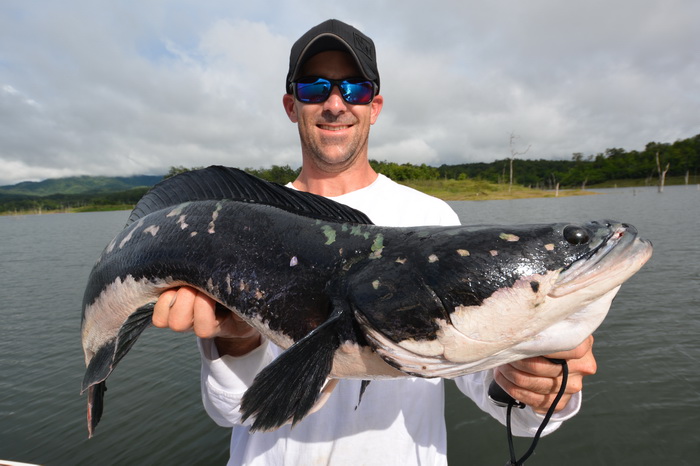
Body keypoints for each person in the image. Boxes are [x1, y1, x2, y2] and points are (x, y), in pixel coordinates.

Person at [153, 19, 596, 465]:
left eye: (354, 89)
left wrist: (533, 385)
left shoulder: (433, 219)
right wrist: (235, 341)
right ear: (291, 105)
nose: (334, 103)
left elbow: (498, 396)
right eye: (314, 88)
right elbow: (233, 411)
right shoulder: (244, 230)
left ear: (375, 105)